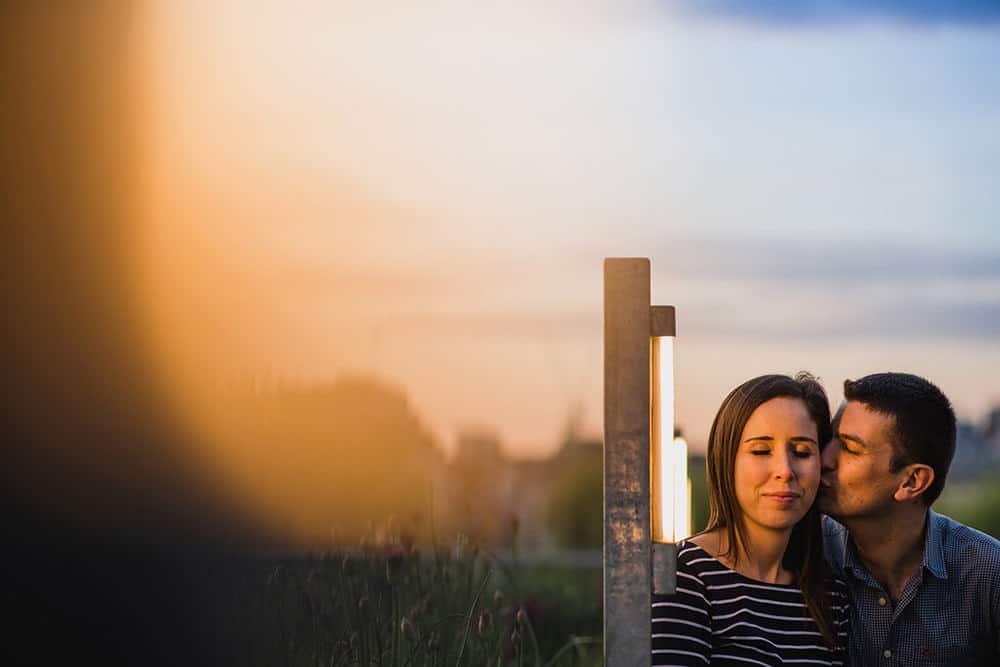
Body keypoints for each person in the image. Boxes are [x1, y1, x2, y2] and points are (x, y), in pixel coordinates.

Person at [652, 373, 849, 666]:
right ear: (725, 459)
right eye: (761, 450)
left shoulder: (831, 596)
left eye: (802, 452)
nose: (785, 470)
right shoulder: (684, 576)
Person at [818, 372, 1000, 665]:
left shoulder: (989, 576)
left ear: (913, 481)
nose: (824, 458)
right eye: (829, 439)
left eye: (850, 448)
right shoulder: (807, 558)